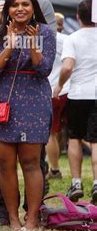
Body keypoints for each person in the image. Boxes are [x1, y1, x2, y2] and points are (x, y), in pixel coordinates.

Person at [0, 0, 56, 229]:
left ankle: (32, 219)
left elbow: (45, 68)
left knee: (30, 162)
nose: (21, 9)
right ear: (8, 9)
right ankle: (12, 219)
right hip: (3, 99)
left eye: (26, 5)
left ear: (33, 7)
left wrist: (34, 47)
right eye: (16, 6)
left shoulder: (46, 32)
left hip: (35, 99)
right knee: (5, 163)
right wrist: (10, 45)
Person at [54, 0, 97, 204]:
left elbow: (68, 67)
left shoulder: (72, 38)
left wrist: (60, 85)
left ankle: (77, 182)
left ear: (78, 17)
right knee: (96, 141)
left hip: (77, 95)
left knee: (74, 139)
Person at [45, 13, 69, 180]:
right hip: (70, 90)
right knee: (77, 134)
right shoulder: (67, 39)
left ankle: (54, 170)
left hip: (52, 90)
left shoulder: (42, 39)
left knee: (51, 133)